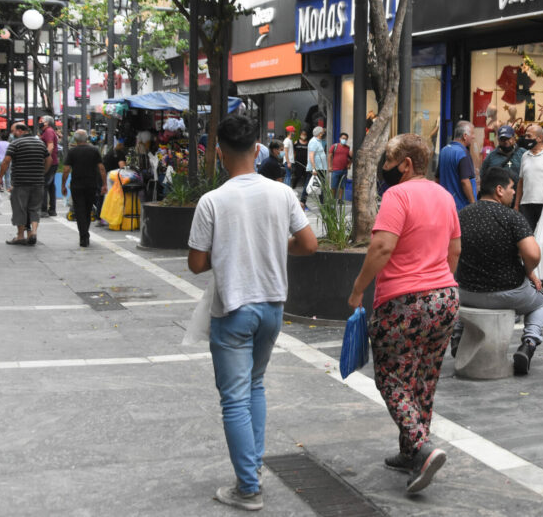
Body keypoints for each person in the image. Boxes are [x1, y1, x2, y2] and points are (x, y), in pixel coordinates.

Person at [188, 115, 317, 511]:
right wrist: (276, 250)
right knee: (255, 386)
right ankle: (253, 471)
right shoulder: (280, 193)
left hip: (233, 310)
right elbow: (309, 244)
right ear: (257, 147)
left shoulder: (213, 201)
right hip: (273, 308)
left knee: (234, 399)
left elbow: (196, 264)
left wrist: (229, 255)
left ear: (221, 153)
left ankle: (248, 488)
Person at [348, 133, 460, 494]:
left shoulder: (397, 195)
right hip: (444, 297)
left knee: (393, 380)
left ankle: (422, 446)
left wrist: (358, 288)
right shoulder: (445, 196)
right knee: (423, 379)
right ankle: (411, 452)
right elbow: (454, 249)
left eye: (387, 163)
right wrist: (439, 282)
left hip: (403, 301)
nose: (385, 170)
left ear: (407, 164)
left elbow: (381, 247)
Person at [453, 167, 543, 375]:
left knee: (462, 299)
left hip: (466, 293)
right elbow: (533, 254)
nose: (514, 192)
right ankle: (529, 344)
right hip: (507, 293)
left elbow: (450, 252)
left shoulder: (462, 215)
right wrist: (528, 271)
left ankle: (458, 335)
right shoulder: (511, 218)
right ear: (499, 190)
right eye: (512, 188)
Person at [0, 122, 50, 246]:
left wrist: (0, 178)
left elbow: (6, 161)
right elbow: (49, 159)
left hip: (20, 182)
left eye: (13, 130)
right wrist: (42, 172)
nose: (12, 133)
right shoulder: (40, 143)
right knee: (34, 209)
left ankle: (20, 236)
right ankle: (33, 233)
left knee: (20, 208)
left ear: (20, 131)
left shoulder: (15, 143)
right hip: (38, 182)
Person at [61, 129, 107, 248]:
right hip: (91, 184)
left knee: (79, 210)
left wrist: (63, 185)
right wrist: (104, 184)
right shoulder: (94, 150)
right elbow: (101, 168)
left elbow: (66, 170)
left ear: (76, 139)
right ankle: (85, 234)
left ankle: (83, 236)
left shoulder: (72, 152)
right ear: (86, 138)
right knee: (87, 210)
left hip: (77, 185)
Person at [437, 121, 477, 210]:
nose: (473, 137)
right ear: (465, 136)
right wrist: (473, 205)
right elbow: (465, 181)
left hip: (446, 205)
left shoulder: (444, 150)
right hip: (461, 207)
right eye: (472, 133)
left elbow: (437, 178)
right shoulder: (462, 153)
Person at [300, 126, 328, 208]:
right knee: (308, 185)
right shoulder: (313, 142)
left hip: (321, 168)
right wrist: (314, 168)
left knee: (321, 186)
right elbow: (311, 156)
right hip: (317, 169)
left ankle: (323, 203)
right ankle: (302, 202)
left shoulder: (318, 141)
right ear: (320, 133)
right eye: (322, 132)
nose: (323, 133)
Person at [39, 115, 60, 216]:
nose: (40, 122)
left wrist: (45, 158)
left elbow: (50, 146)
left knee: (44, 184)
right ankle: (52, 209)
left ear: (47, 122)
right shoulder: (49, 131)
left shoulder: (48, 131)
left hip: (50, 162)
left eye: (42, 120)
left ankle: (44, 210)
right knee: (50, 185)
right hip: (53, 161)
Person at [329, 132, 352, 201]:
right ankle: (332, 199)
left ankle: (340, 199)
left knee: (342, 186)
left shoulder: (348, 148)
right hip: (335, 170)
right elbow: (329, 156)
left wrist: (349, 164)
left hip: (344, 170)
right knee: (333, 186)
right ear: (340, 138)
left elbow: (351, 158)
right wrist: (330, 166)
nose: (344, 140)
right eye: (343, 138)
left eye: (345, 139)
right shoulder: (334, 146)